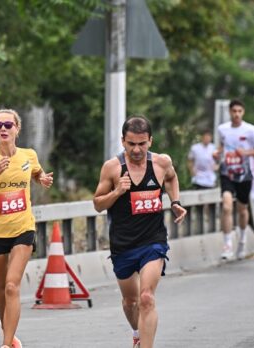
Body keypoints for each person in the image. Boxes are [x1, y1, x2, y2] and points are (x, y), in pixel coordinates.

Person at [93, 116, 186, 348]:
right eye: (131, 144)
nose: (136, 149)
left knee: (146, 298)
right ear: (123, 141)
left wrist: (175, 202)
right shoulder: (112, 167)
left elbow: (172, 179)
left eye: (142, 144)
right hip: (123, 244)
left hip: (152, 241)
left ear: (150, 141)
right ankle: (137, 334)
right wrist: (116, 192)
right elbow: (97, 204)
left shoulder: (161, 163)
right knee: (130, 301)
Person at [0, 109, 54, 348]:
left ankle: (6, 344)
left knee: (13, 286)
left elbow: (35, 171)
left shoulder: (29, 155)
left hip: (23, 228)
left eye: (8, 124)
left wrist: (42, 179)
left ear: (17, 128)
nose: (3, 129)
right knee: (2, 288)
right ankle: (9, 331)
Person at [213, 100, 254, 260]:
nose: (236, 114)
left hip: (244, 174)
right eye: (234, 111)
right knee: (227, 206)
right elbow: (223, 146)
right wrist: (218, 153)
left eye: (239, 111)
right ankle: (227, 244)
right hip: (227, 172)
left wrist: (246, 153)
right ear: (230, 112)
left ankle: (242, 239)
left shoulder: (251, 130)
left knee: (243, 210)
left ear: (243, 112)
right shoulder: (222, 129)